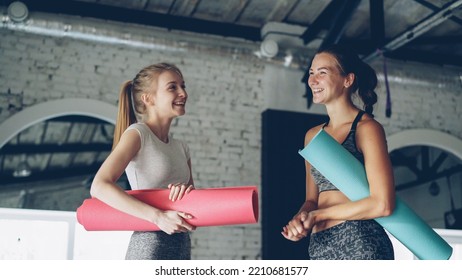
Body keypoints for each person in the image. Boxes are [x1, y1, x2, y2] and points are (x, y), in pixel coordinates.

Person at [282, 44, 395, 260]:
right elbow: (311, 200)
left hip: (360, 240)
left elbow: (383, 204)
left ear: (348, 80)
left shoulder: (366, 128)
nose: (312, 80)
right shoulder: (313, 136)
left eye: (322, 73)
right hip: (320, 246)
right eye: (311, 73)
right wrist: (300, 219)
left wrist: (317, 215)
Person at [90, 62, 196, 260]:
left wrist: (185, 191)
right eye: (173, 87)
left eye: (183, 86)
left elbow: (194, 205)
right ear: (148, 98)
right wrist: (158, 217)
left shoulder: (182, 147)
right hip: (150, 243)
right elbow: (99, 187)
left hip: (182, 244)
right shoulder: (138, 134)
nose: (183, 93)